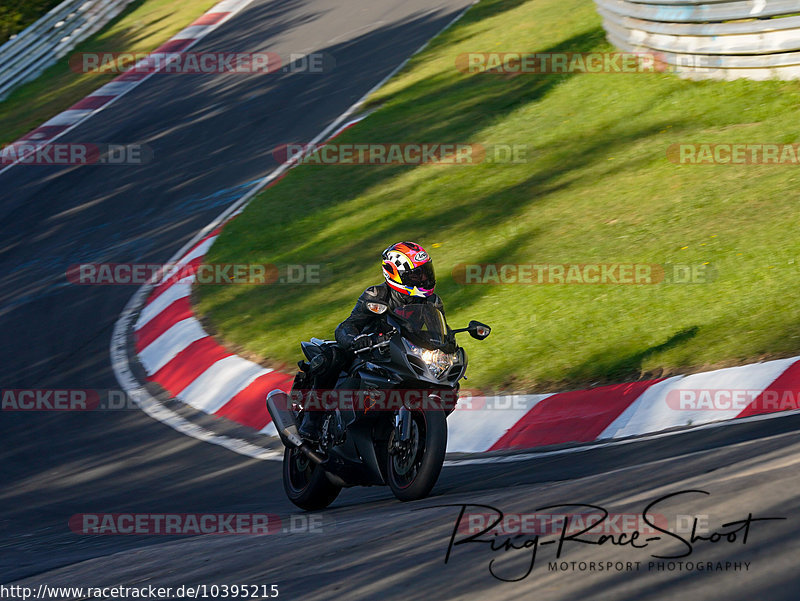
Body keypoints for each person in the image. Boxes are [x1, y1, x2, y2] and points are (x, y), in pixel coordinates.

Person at [297, 241, 444, 441]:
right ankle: (311, 420)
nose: (424, 278)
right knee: (333, 356)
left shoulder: (431, 301)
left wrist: (446, 345)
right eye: (417, 275)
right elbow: (346, 326)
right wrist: (356, 340)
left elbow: (438, 334)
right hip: (368, 353)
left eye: (426, 272)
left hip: (401, 356)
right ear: (394, 274)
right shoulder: (376, 295)